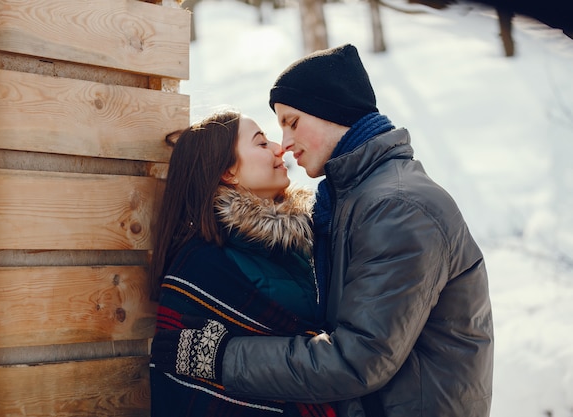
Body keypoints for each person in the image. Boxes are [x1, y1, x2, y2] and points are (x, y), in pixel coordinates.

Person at [151, 44, 495, 416]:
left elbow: (358, 360)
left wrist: (223, 358)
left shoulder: (396, 206)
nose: (283, 145)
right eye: (271, 133)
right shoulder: (350, 201)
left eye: (292, 122)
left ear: (331, 113)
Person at [148, 110, 336, 416]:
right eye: (261, 143)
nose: (280, 148)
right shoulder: (202, 268)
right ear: (229, 172)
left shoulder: (305, 244)